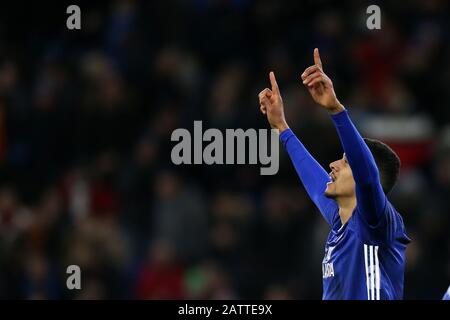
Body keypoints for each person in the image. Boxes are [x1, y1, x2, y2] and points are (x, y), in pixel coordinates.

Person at [258, 48, 410, 300]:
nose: (333, 165)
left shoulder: (374, 223)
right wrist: (282, 128)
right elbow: (317, 185)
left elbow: (367, 176)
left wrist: (336, 110)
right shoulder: (342, 224)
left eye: (346, 162)